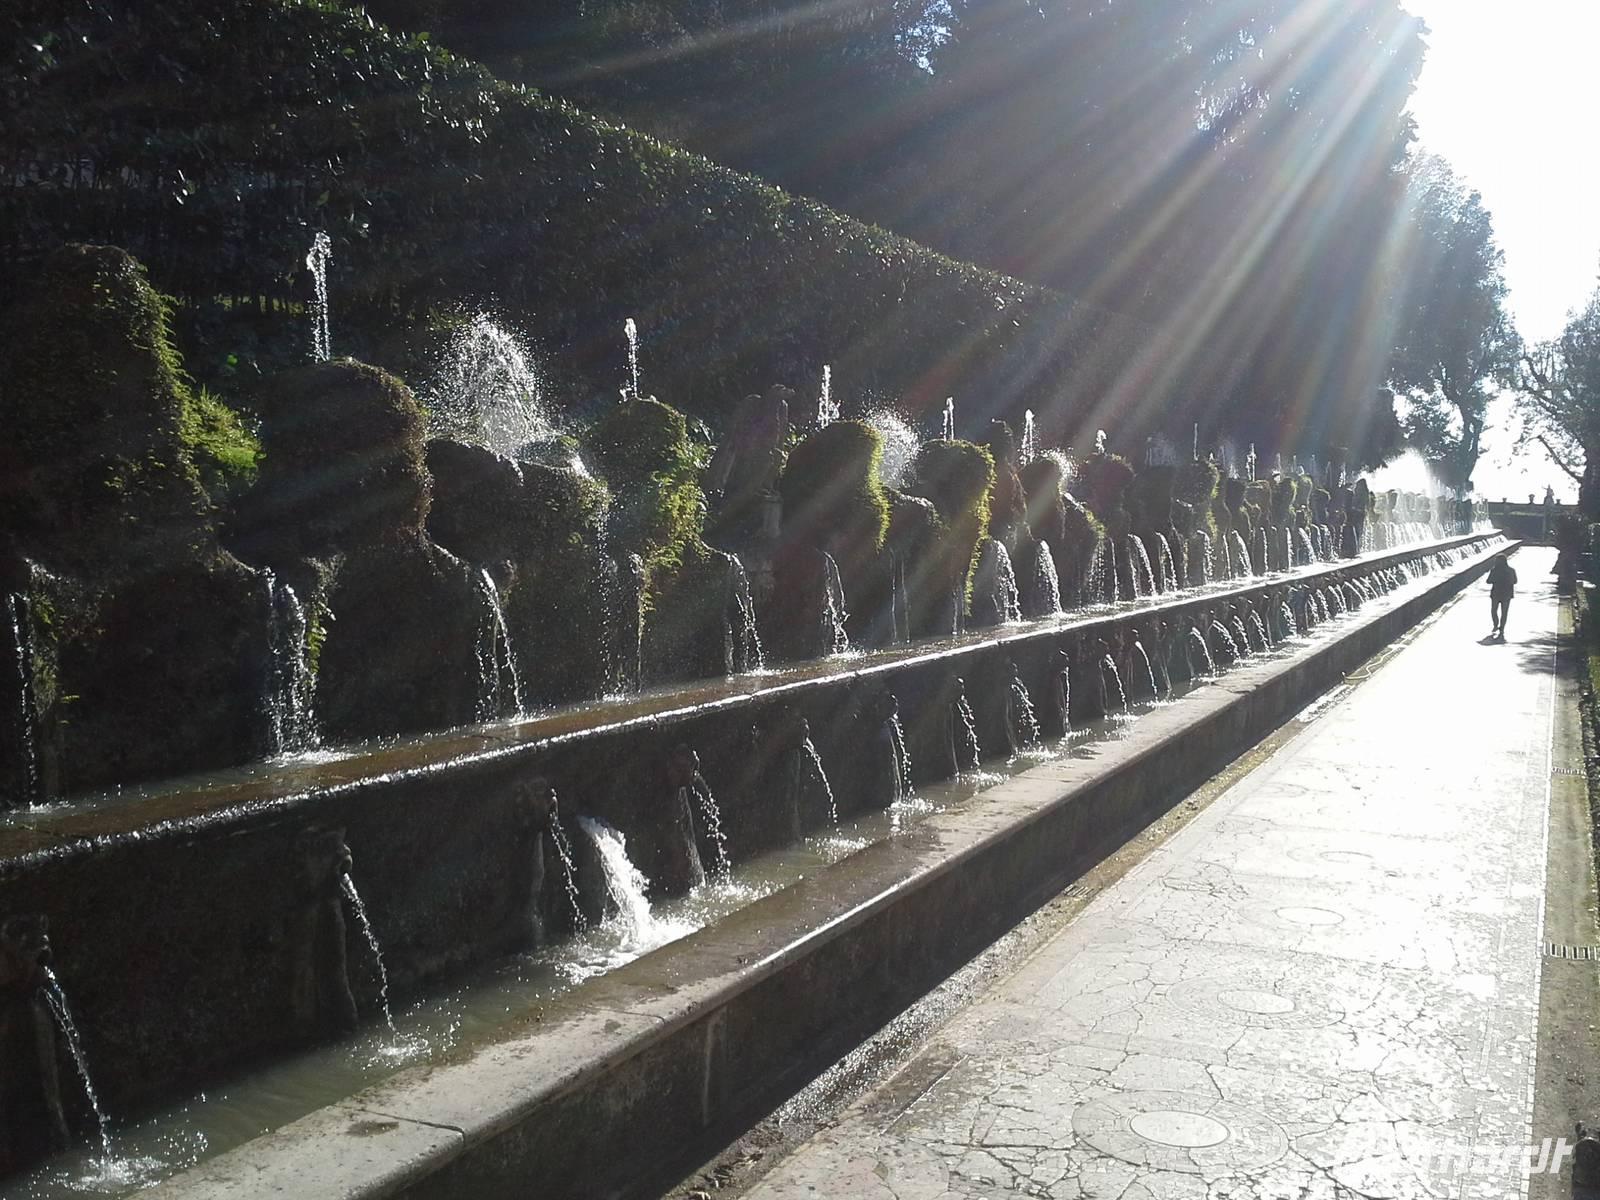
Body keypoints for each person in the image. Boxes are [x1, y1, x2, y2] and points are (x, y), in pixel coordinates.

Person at [1487, 553, 1517, 639]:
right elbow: (1515, 581)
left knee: (1494, 610)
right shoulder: (1511, 570)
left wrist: (1495, 580)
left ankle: (1496, 624)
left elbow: (1488, 581)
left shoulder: (1494, 570)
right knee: (1504, 612)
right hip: (1507, 594)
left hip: (1496, 593)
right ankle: (1502, 628)